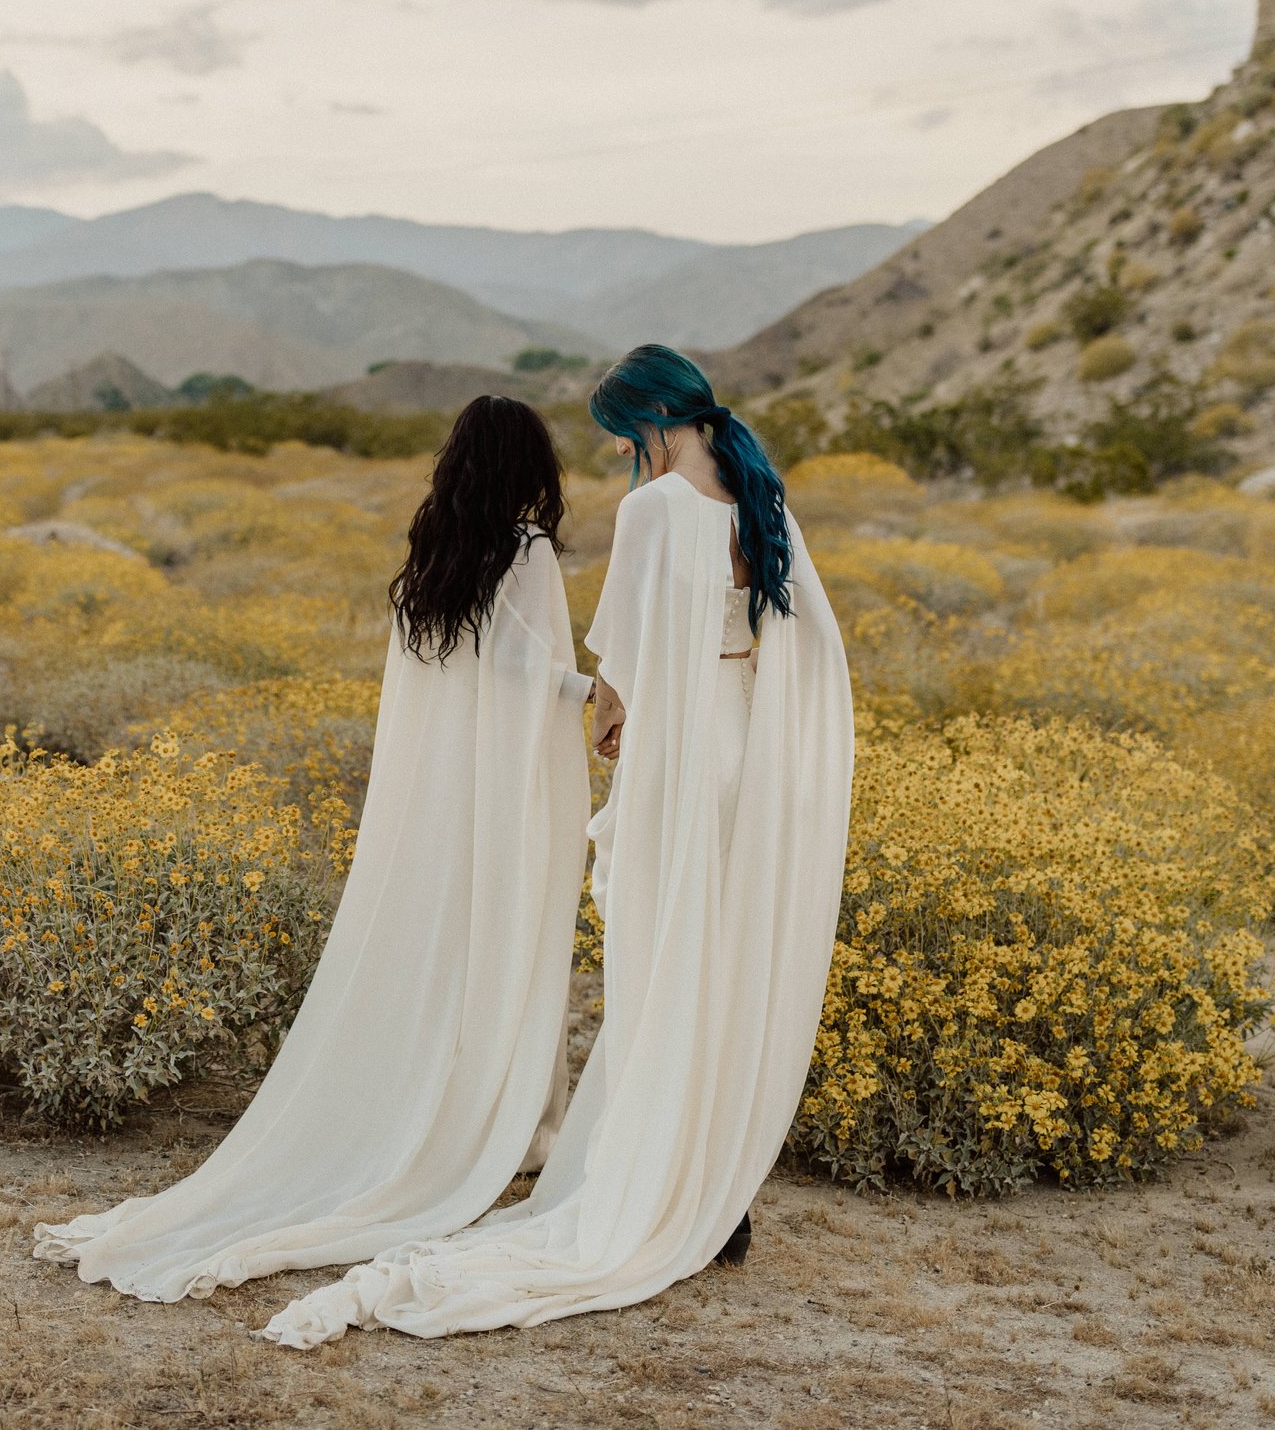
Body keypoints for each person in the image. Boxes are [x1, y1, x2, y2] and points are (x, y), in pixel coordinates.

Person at [262, 344, 854, 1349]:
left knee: (655, 963)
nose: (629, 455)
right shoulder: (760, 488)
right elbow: (796, 637)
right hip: (747, 743)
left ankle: (662, 1180)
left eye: (627, 438)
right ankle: (719, 1193)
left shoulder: (655, 507)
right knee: (720, 965)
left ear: (653, 422)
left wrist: (609, 718)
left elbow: (617, 667)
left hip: (679, 750)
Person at [34, 395, 593, 1302]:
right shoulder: (526, 552)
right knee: (510, 945)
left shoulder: (431, 560)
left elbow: (446, 690)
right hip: (500, 802)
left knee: (443, 957)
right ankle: (519, 1127)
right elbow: (528, 675)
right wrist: (595, 694)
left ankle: (445, 1110)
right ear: (528, 464)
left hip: (438, 808)